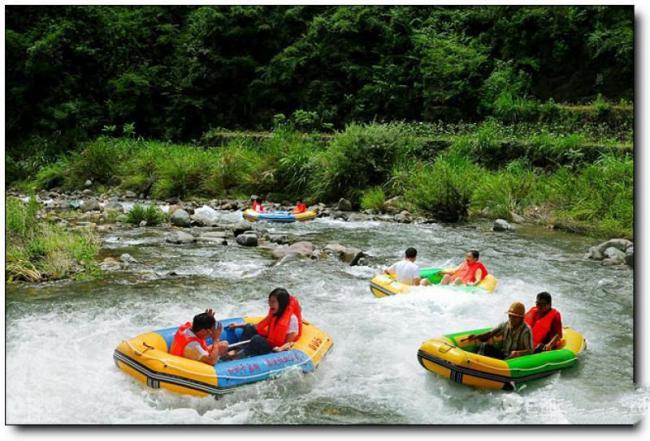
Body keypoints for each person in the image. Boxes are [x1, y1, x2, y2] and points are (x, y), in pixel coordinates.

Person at [227, 288, 302, 358]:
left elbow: (290, 343)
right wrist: (238, 325)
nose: (270, 304)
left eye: (273, 302)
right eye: (269, 301)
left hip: (274, 347)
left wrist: (280, 349)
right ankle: (237, 349)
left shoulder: (292, 319)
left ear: (282, 303)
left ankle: (237, 356)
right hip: (269, 340)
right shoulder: (274, 313)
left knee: (257, 339)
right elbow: (259, 325)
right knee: (249, 328)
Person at [463, 302, 533, 360]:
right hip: (504, 355)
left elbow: (530, 351)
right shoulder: (505, 324)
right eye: (510, 316)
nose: (511, 318)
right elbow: (490, 333)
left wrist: (518, 353)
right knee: (484, 346)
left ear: (521, 318)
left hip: (516, 361)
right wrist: (476, 337)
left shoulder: (526, 331)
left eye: (514, 317)